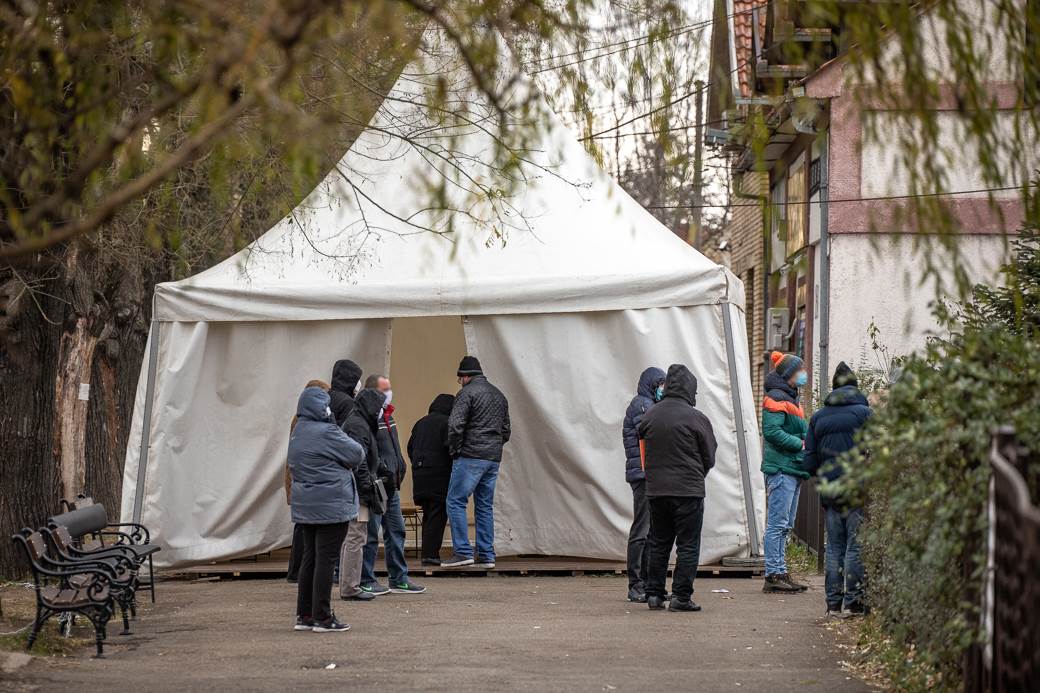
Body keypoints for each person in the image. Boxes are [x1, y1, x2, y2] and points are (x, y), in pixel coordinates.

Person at [638, 364, 717, 612]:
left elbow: (642, 450)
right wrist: (696, 474)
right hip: (688, 491)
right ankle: (681, 597)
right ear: (690, 389)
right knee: (688, 545)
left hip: (656, 490)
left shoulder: (650, 415)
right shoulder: (697, 418)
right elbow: (709, 456)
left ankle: (654, 595)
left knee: (658, 542)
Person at [288, 385, 364, 633]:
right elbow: (356, 453)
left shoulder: (298, 431)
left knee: (309, 558)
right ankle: (323, 616)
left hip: (306, 505)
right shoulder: (328, 431)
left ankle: (305, 614)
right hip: (331, 504)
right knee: (326, 560)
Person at [803, 362, 872, 617]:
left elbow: (809, 459)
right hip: (857, 488)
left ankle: (833, 604)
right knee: (855, 546)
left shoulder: (819, 417)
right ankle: (853, 603)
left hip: (830, 491)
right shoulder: (865, 414)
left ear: (833, 387)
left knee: (833, 546)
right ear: (854, 385)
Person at [359, 374, 426, 595]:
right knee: (370, 534)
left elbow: (393, 446)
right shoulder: (368, 418)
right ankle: (366, 578)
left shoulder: (388, 416)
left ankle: (398, 578)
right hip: (377, 484)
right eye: (385, 389)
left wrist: (400, 467)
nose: (389, 393)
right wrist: (381, 470)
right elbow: (366, 451)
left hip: (392, 485)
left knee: (396, 531)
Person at [442, 356, 510, 569]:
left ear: (464, 377)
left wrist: (455, 449)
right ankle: (486, 554)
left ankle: (463, 552)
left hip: (470, 455)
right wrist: (494, 446)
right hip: (492, 458)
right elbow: (506, 430)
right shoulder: (499, 395)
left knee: (455, 501)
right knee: (484, 505)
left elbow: (455, 425)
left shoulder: (466, 394)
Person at [761, 351, 811, 594]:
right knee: (778, 523)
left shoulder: (790, 398)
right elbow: (771, 432)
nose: (804, 374)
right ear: (790, 374)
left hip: (792, 467)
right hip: (782, 467)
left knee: (785, 524)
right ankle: (773, 574)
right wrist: (800, 444)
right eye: (800, 370)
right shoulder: (776, 398)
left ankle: (780, 571)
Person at [621, 366, 666, 603]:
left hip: (649, 475)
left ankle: (648, 584)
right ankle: (636, 584)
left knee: (650, 532)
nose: (663, 389)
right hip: (643, 476)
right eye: (660, 385)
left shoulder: (648, 405)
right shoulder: (642, 405)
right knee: (641, 530)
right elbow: (652, 432)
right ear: (652, 385)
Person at [339, 388, 386, 602]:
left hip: (357, 490)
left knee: (356, 537)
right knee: (356, 537)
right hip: (358, 493)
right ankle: (350, 585)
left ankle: (352, 583)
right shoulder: (359, 425)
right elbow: (360, 462)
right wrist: (367, 489)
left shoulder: (358, 421)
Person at [285, 379, 330, 583]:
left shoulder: (300, 419)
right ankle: (296, 571)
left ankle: (296, 571)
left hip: (300, 480)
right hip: (303, 480)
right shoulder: (303, 421)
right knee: (303, 531)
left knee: (303, 529)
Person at [407, 394, 456, 566]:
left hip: (419, 474)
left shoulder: (420, 422)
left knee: (428, 513)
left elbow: (410, 447)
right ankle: (430, 555)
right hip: (439, 474)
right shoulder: (447, 423)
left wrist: (418, 463)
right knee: (438, 512)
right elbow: (451, 448)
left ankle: (427, 553)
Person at [329, 359, 363, 427]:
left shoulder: (327, 394)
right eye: (357, 378)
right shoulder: (348, 402)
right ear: (350, 379)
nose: (359, 382)